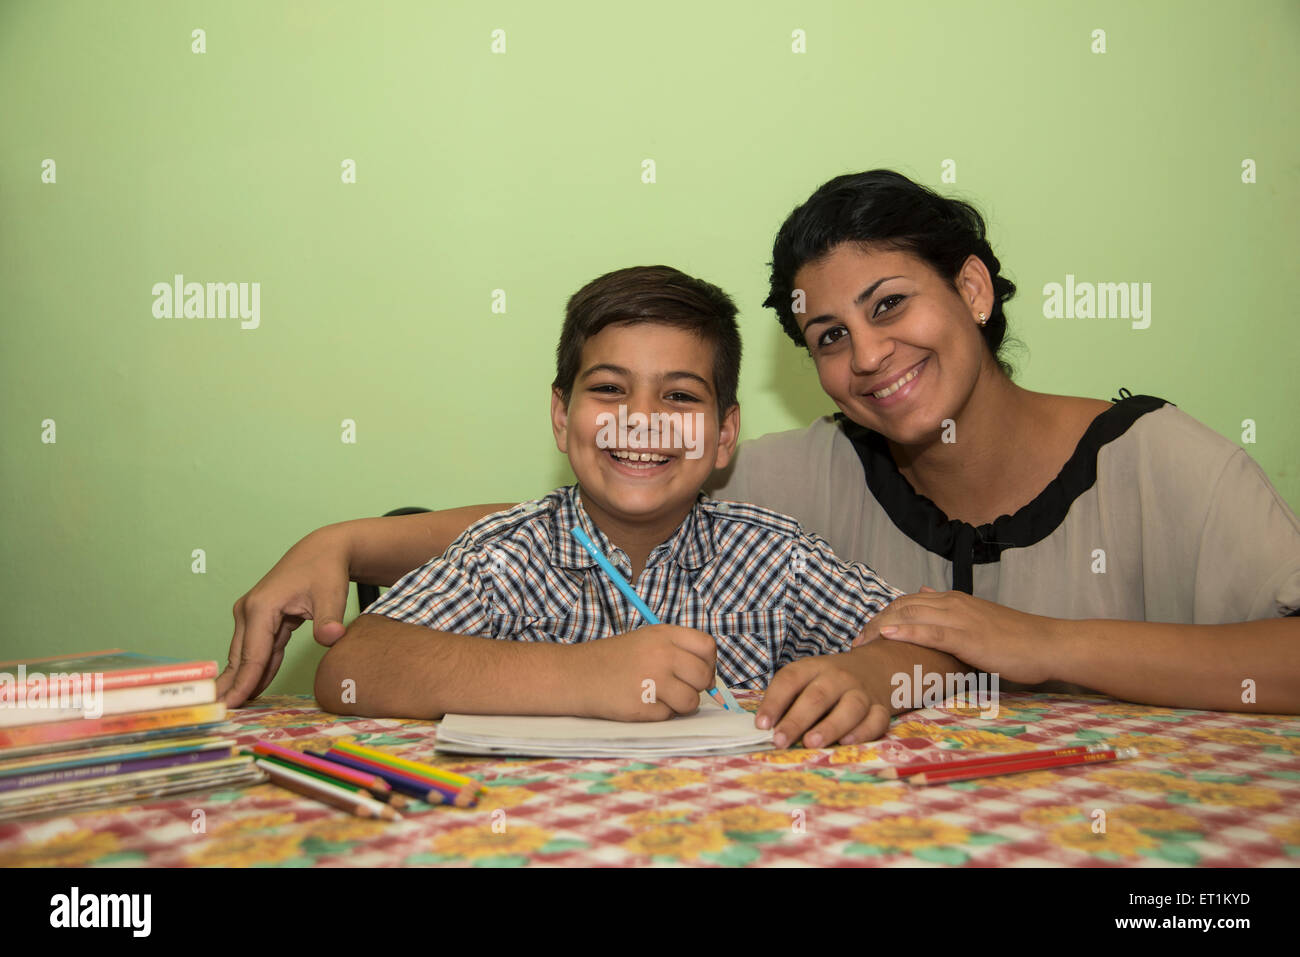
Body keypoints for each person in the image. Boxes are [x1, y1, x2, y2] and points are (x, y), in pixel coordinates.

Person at [221, 171, 1300, 737]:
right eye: (829, 336)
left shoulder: (1167, 462)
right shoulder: (805, 475)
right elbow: (608, 513)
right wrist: (350, 539)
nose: (868, 356)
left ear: (972, 289)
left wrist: (1041, 643)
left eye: (890, 305)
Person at [311, 264, 905, 746]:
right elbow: (353, 669)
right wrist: (581, 675)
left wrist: (866, 674)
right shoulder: (505, 554)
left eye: (678, 395)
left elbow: (928, 643)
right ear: (560, 417)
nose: (641, 420)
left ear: (724, 436)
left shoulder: (776, 558)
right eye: (609, 390)